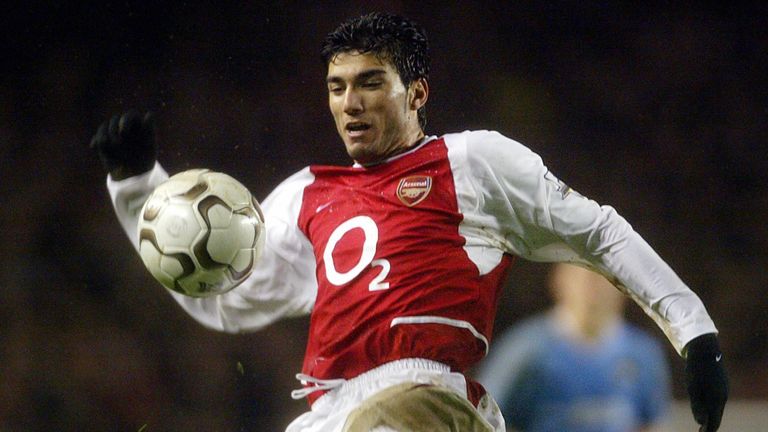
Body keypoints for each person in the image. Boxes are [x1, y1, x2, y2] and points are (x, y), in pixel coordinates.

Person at [90, 12, 728, 432]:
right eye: (338, 87)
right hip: (328, 413)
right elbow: (227, 304)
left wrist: (695, 334)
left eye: (370, 82)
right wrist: (136, 184)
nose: (350, 103)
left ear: (417, 91)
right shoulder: (306, 194)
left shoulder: (472, 161)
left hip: (426, 401)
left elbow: (598, 233)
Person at [477, 263, 672, 432]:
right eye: (585, 277)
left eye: (605, 279)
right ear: (559, 280)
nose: (594, 289)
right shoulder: (525, 349)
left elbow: (650, 422)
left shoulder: (643, 353)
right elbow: (481, 418)